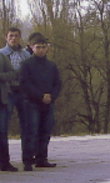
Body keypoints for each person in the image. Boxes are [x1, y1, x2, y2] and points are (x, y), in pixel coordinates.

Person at [20, 34, 62, 171]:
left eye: (44, 47)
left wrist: (52, 96)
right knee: (31, 132)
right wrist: (40, 96)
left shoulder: (52, 65)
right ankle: (27, 160)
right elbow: (25, 84)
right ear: (32, 48)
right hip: (31, 103)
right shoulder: (26, 65)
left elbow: (58, 83)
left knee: (46, 131)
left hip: (49, 103)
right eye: (38, 47)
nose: (41, 50)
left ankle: (41, 159)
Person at [0, 27, 28, 172]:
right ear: (6, 37)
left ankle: (28, 159)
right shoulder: (2, 54)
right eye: (11, 36)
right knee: (3, 128)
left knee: (27, 126)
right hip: (7, 93)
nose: (13, 38)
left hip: (23, 92)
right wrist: (15, 74)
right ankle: (4, 161)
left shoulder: (25, 55)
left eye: (16, 36)